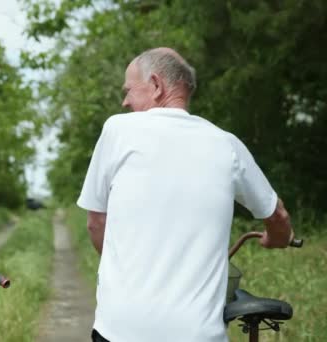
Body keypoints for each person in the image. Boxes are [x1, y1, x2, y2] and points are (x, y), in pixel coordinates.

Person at [77, 48, 294, 342]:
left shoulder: (118, 129)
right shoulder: (226, 144)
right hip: (198, 335)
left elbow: (95, 223)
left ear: (156, 85)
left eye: (128, 90)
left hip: (122, 329)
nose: (124, 101)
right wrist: (276, 238)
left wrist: (125, 270)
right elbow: (277, 216)